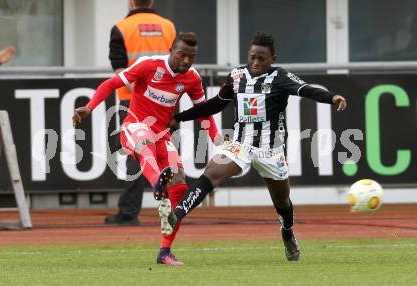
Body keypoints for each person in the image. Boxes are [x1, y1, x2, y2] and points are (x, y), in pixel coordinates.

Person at [158, 32, 347, 261]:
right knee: (212, 173)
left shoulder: (280, 77)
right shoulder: (237, 76)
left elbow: (305, 89)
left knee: (282, 202)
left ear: (272, 59)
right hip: (240, 144)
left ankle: (287, 233)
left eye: (262, 59)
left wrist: (332, 97)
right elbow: (216, 104)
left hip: (271, 151)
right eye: (252, 57)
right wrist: (181, 117)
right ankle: (178, 213)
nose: (256, 63)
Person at [73, 32, 220, 265]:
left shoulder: (192, 78)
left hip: (161, 134)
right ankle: (156, 184)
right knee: (145, 143)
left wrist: (217, 139)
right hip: (134, 127)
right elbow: (112, 83)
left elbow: (203, 112)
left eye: (191, 57)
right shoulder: (148, 65)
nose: (186, 61)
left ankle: (164, 251)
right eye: (182, 55)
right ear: (171, 50)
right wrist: (89, 107)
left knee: (180, 187)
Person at [105, 0, 176, 226]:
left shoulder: (121, 28)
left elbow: (121, 77)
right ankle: (177, 207)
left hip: (133, 104)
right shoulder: (169, 26)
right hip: (166, 103)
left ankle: (129, 212)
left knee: (135, 157)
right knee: (167, 153)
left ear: (131, 2)